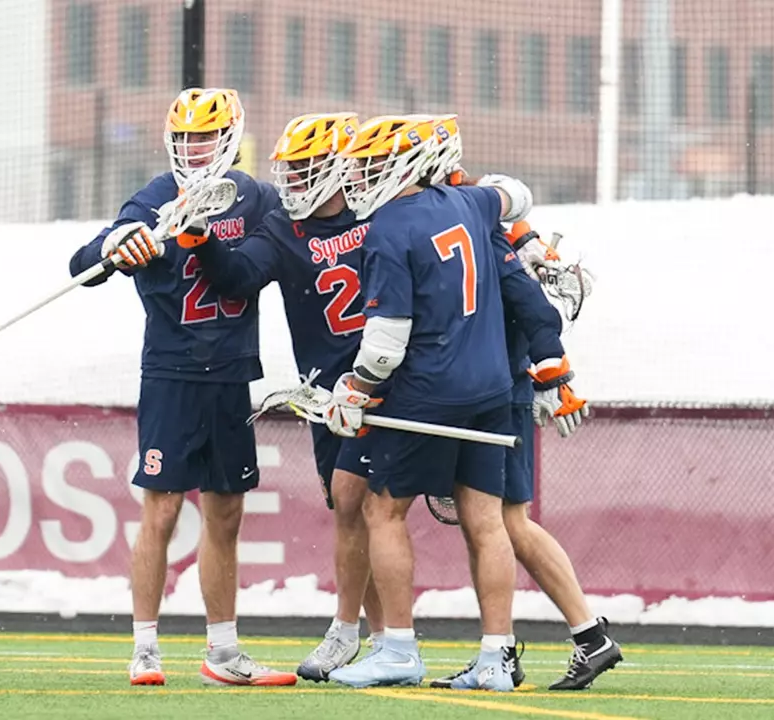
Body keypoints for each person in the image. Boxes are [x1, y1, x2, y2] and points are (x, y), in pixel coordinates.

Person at [67, 87, 295, 688]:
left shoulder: (257, 198)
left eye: (205, 138)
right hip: (170, 372)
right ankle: (145, 648)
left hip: (230, 373)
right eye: (185, 139)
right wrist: (115, 247)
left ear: (229, 137)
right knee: (161, 510)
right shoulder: (153, 197)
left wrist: (202, 237)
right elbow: (82, 265)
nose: (194, 150)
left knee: (225, 515)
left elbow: (248, 276)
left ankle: (223, 650)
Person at [321, 115, 538, 691]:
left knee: (382, 511)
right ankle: (495, 657)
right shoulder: (468, 201)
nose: (360, 175)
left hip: (429, 391)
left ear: (402, 167)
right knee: (486, 520)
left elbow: (388, 342)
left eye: (370, 165)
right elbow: (518, 194)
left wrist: (356, 390)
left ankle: (397, 647)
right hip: (491, 385)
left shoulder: (390, 227)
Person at [179, 112, 387, 681]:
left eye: (306, 167)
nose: (294, 179)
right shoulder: (281, 227)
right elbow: (239, 276)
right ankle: (384, 639)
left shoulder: (381, 213)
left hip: (385, 384)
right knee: (356, 512)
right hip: (325, 393)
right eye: (290, 169)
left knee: (365, 504)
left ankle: (359, 634)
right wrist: (202, 243)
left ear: (339, 166)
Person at [421, 115, 622, 691]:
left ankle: (504, 652)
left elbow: (529, 301)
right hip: (497, 382)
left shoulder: (473, 220)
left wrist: (550, 373)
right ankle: (587, 635)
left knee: (498, 524)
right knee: (507, 524)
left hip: (493, 388)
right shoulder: (469, 210)